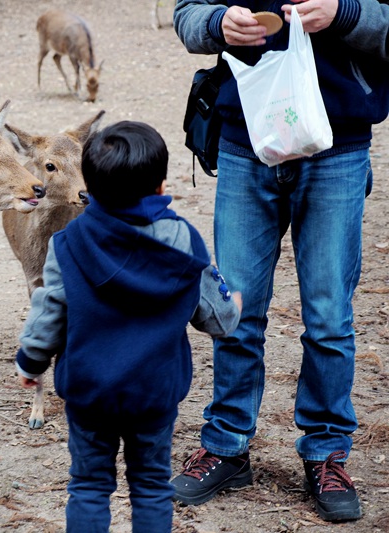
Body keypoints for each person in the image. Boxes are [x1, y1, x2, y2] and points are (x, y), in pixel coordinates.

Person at [171, 0, 389, 523]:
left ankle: (327, 453)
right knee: (235, 310)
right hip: (247, 143)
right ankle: (227, 445)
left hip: (337, 147)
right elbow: (187, 14)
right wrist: (215, 22)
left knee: (329, 316)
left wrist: (345, 14)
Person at [14, 120, 241, 533]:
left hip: (89, 393)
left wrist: (31, 362)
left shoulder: (69, 242)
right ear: (160, 186)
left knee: (88, 486)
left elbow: (49, 309)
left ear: (91, 187)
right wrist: (233, 304)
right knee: (152, 487)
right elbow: (218, 319)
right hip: (153, 394)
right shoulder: (184, 240)